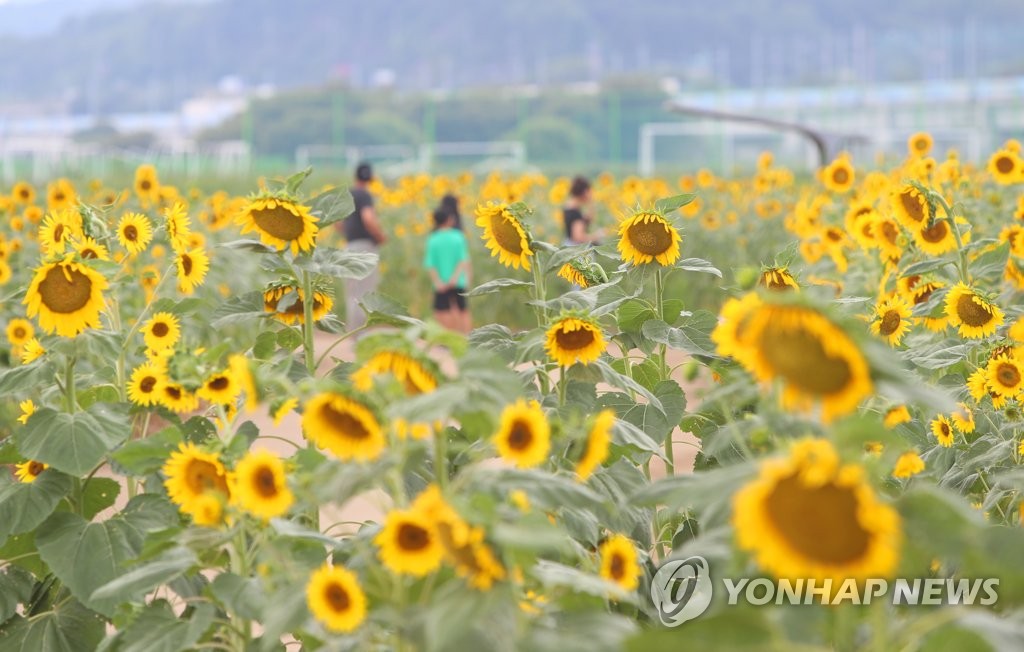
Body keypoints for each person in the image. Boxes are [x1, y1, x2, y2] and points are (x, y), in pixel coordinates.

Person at [342, 162, 386, 331]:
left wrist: (348, 232)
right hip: (365, 248)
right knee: (365, 292)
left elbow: (338, 223)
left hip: (350, 246)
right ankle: (363, 334)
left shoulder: (349, 195)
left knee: (352, 292)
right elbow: (368, 218)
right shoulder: (365, 195)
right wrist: (380, 236)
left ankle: (353, 333)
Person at [424, 208, 471, 333]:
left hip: (441, 283)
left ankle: (447, 340)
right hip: (458, 281)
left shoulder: (433, 239)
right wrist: (455, 278)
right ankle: (467, 338)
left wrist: (438, 282)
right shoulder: (458, 237)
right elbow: (462, 260)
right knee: (462, 310)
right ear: (449, 220)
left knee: (441, 311)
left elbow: (430, 264)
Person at [562, 176, 602, 245]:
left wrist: (591, 204)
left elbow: (587, 220)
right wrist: (596, 236)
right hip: (574, 250)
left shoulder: (568, 207)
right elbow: (578, 238)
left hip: (567, 245)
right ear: (585, 192)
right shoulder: (574, 212)